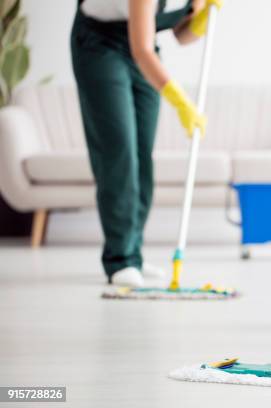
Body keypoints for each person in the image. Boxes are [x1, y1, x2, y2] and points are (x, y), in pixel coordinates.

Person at [71, 0, 221, 287]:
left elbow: (181, 35)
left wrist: (202, 17)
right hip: (99, 44)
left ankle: (133, 254)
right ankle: (121, 259)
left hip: (144, 46)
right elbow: (141, 49)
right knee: (120, 152)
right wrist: (181, 102)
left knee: (141, 155)